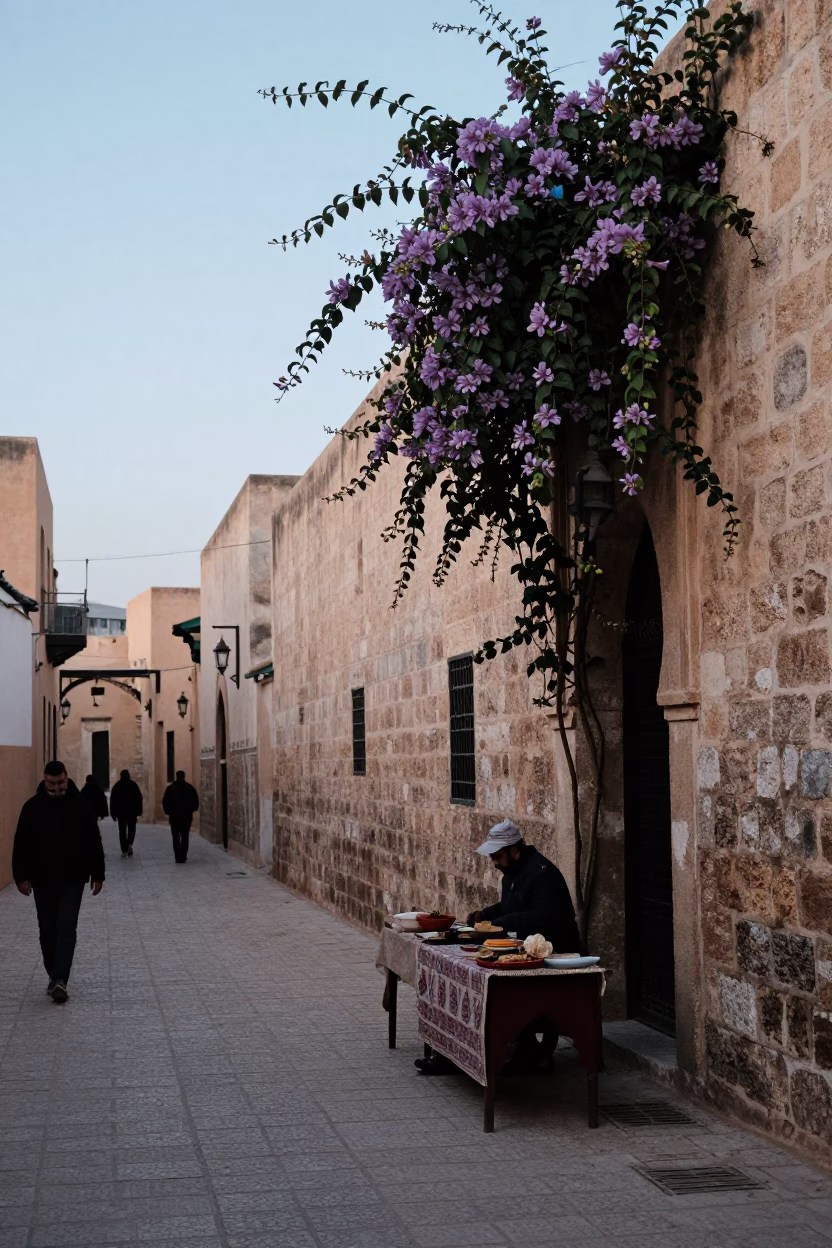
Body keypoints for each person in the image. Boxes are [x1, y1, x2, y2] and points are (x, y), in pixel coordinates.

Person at [416, 818, 580, 1077]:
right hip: (523, 951)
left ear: (515, 851)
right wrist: (486, 914)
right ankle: (459, 1054)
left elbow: (544, 917)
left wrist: (500, 923)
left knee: (497, 995)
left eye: (498, 856)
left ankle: (525, 1051)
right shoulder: (513, 874)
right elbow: (509, 906)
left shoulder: (542, 874)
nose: (494, 862)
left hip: (552, 957)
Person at [12, 760, 105, 1003]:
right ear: (44, 780)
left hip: (73, 879)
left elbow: (93, 841)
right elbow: (21, 843)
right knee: (47, 930)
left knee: (66, 927)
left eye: (61, 782)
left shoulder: (81, 806)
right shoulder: (31, 808)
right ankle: (54, 974)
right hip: (42, 880)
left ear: (67, 778)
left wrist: (98, 874)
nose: (57, 787)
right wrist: (21, 876)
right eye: (52, 783)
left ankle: (61, 979)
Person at [162, 770, 199, 863]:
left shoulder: (170, 788)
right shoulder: (190, 788)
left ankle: (178, 856)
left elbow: (165, 802)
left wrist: (169, 812)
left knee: (175, 837)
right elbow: (195, 803)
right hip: (186, 817)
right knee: (185, 836)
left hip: (174, 817)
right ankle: (183, 855)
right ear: (184, 776)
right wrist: (190, 810)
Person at [109, 769, 143, 858]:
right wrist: (139, 811)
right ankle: (129, 844)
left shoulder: (117, 786)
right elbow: (139, 798)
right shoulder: (133, 785)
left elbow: (113, 800)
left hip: (121, 813)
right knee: (132, 830)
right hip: (131, 812)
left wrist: (113, 813)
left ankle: (124, 849)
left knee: (122, 831)